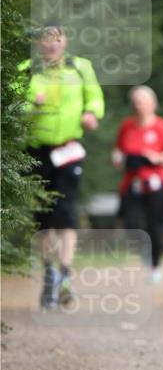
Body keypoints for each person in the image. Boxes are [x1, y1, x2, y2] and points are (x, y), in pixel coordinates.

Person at [19, 24, 105, 309]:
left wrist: (91, 113)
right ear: (39, 44)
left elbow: (94, 97)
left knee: (66, 211)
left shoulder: (81, 68)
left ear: (65, 41)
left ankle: (66, 273)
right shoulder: (26, 69)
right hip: (36, 150)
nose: (52, 44)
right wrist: (31, 105)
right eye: (46, 39)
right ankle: (49, 273)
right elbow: (10, 107)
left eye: (57, 39)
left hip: (69, 149)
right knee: (43, 216)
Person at [112, 86, 163, 283]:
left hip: (155, 182)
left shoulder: (161, 127)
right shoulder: (127, 126)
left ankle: (155, 265)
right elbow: (117, 150)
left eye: (142, 101)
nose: (138, 105)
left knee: (155, 225)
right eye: (135, 102)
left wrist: (157, 157)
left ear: (153, 104)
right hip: (132, 182)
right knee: (130, 223)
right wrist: (119, 159)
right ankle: (144, 251)